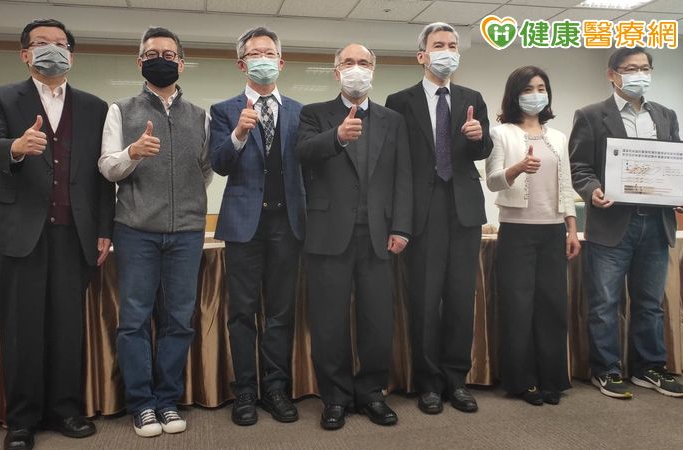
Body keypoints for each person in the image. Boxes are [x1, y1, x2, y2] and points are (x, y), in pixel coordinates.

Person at [0, 18, 113, 450]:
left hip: (74, 234)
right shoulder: (2, 97)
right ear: (25, 54)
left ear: (71, 54)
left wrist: (104, 229)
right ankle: (21, 421)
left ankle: (66, 410)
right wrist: (14, 148)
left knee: (68, 327)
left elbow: (102, 176)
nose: (52, 49)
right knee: (22, 329)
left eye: (60, 43)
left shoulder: (94, 106)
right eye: (41, 43)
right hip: (19, 234)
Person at [98, 26, 212, 437]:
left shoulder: (200, 115)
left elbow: (205, 170)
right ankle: (142, 404)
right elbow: (107, 167)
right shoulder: (121, 109)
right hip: (136, 229)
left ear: (181, 62)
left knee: (179, 320)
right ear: (139, 62)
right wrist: (132, 153)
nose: (159, 59)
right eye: (151, 54)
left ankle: (167, 400)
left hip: (187, 231)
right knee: (134, 320)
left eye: (168, 54)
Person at [569, 47, 683, 400]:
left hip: (656, 223)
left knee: (650, 303)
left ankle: (649, 368)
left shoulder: (665, 115)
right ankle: (606, 370)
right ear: (612, 74)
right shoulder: (591, 115)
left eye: (645, 68)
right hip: (612, 224)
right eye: (630, 68)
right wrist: (592, 190)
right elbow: (580, 168)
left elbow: (675, 166)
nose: (639, 74)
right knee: (605, 303)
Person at [296, 43, 412, 430]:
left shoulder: (392, 120)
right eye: (348, 62)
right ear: (336, 72)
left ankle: (372, 393)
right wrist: (338, 136)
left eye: (363, 63)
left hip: (378, 235)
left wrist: (401, 226)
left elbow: (403, 176)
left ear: (373, 71)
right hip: (328, 234)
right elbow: (303, 152)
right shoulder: (314, 114)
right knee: (328, 321)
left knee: (377, 319)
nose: (356, 68)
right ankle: (335, 397)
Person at [385, 22, 491, 415]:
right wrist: (397, 218)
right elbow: (395, 162)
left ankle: (456, 381)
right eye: (438, 45)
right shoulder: (400, 101)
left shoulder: (471, 98)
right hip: (422, 212)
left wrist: (479, 136)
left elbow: (483, 150)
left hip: (464, 209)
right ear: (422, 55)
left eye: (452, 45)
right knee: (425, 301)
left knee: (461, 300)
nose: (447, 51)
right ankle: (428, 384)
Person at [209, 26, 305, 426]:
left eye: (268, 53)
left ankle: (276, 389)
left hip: (288, 223)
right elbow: (218, 164)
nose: (262, 60)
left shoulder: (301, 112)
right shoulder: (223, 110)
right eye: (254, 54)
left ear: (280, 62)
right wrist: (238, 133)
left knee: (281, 312)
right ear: (241, 64)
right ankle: (245, 391)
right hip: (242, 224)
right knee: (242, 313)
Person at [485, 66, 580, 406]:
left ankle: (552, 379)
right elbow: (492, 180)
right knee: (518, 307)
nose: (536, 94)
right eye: (528, 89)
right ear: (514, 95)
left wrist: (571, 228)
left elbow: (566, 186)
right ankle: (522, 381)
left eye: (541, 88)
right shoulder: (501, 133)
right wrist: (517, 168)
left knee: (552, 307)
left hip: (553, 230)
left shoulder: (559, 138)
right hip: (517, 231)